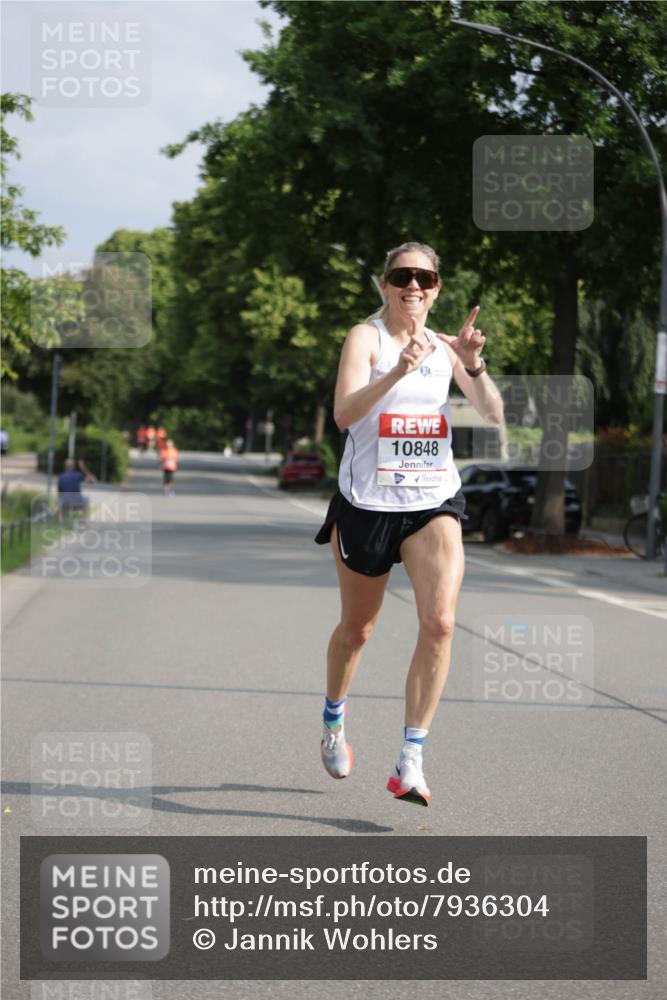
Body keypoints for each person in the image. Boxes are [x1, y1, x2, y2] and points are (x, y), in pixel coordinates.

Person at [315, 241, 503, 806]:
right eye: (402, 275)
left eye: (424, 277)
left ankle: (410, 759)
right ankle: (333, 720)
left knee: (441, 623)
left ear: (437, 288)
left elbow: (492, 412)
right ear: (385, 285)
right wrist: (397, 369)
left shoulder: (447, 349)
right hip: (368, 504)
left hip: (431, 501)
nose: (413, 285)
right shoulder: (365, 337)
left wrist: (471, 362)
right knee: (358, 631)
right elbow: (344, 414)